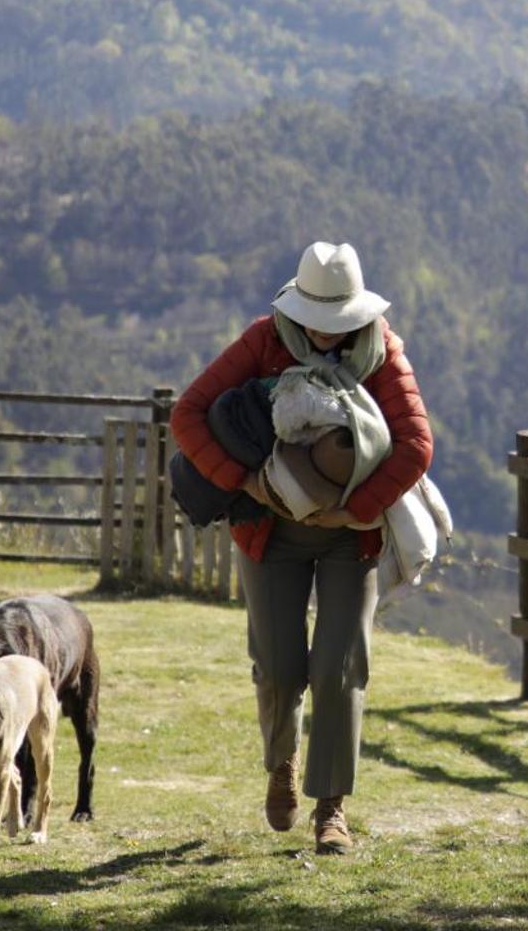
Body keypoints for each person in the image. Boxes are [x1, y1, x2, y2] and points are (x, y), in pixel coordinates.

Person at [171, 241, 432, 854]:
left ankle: (331, 809)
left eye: (336, 321)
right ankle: (281, 763)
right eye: (317, 319)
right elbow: (189, 414)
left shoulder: (380, 350)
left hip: (351, 536)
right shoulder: (263, 340)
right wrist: (245, 483)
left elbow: (417, 445)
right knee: (280, 667)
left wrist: (356, 510)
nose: (325, 333)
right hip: (271, 530)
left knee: (339, 667)